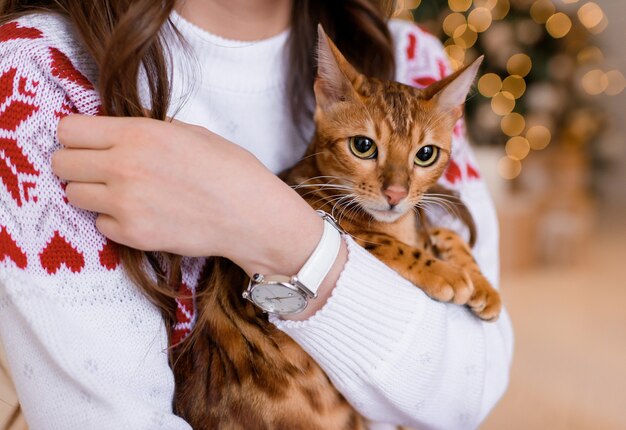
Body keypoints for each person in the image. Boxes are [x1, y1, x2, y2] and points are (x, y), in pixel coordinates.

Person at [0, 0, 513, 429]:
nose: (397, 190)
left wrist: (270, 228)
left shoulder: (412, 57)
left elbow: (470, 390)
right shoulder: (38, 74)